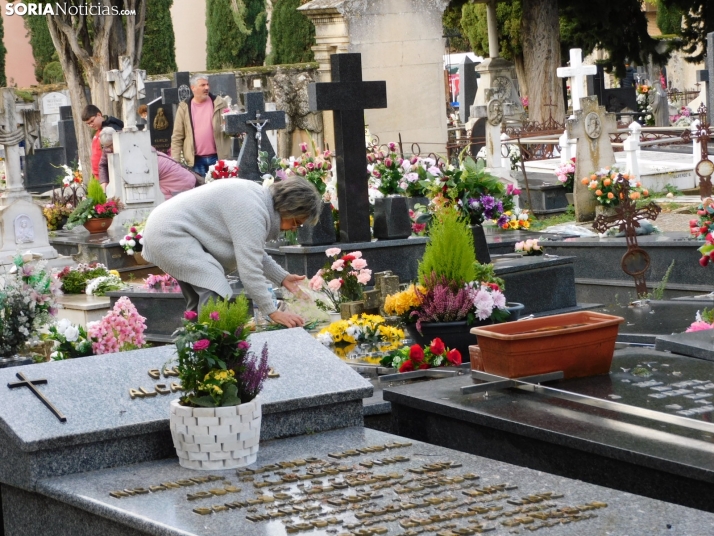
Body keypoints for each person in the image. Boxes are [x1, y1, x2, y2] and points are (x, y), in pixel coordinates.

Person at [141, 177, 321, 327]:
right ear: (288, 208)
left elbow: (252, 252)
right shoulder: (253, 210)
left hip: (166, 229)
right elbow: (249, 269)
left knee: (199, 302)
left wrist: (282, 277)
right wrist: (272, 311)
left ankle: (196, 353)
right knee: (214, 289)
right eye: (296, 222)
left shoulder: (257, 200)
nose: (293, 229)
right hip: (170, 233)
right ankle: (210, 352)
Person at [97, 127, 196, 200]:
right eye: (105, 147)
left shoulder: (141, 154)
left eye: (110, 146)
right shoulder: (110, 148)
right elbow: (103, 164)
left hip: (179, 182)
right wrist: (104, 183)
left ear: (115, 140)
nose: (108, 149)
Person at [171, 74, 231, 177]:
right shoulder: (184, 107)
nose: (206, 88)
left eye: (207, 85)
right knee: (201, 191)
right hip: (196, 160)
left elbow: (230, 127)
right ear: (193, 88)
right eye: (202, 85)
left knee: (220, 191)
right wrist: (175, 162)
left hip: (218, 157)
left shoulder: (219, 103)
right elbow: (177, 136)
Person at [81, 104, 123, 180]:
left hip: (108, 175)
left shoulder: (112, 129)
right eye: (88, 124)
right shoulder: (95, 132)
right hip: (97, 176)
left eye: (92, 121)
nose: (91, 125)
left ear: (99, 114)